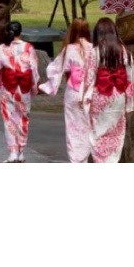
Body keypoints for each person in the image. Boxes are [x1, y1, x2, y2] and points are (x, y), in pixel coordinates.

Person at [83, 16, 134, 163]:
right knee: (116, 132)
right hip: (118, 97)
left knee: (98, 132)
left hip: (100, 96)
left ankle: (100, 161)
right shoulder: (124, 52)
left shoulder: (94, 52)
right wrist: (130, 104)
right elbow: (130, 77)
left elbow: (89, 78)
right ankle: (112, 161)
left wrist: (85, 99)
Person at [38, 17, 93, 163]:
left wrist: (49, 85)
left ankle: (76, 160)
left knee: (73, 127)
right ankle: (85, 157)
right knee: (87, 126)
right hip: (89, 92)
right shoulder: (94, 50)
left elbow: (54, 68)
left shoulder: (68, 49)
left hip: (73, 92)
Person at [0, 20, 40, 163]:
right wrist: (34, 87)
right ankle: (21, 152)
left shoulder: (2, 48)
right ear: (21, 33)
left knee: (9, 120)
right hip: (24, 89)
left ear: (7, 32)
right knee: (23, 119)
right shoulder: (28, 47)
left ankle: (12, 152)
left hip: (7, 86)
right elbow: (34, 70)